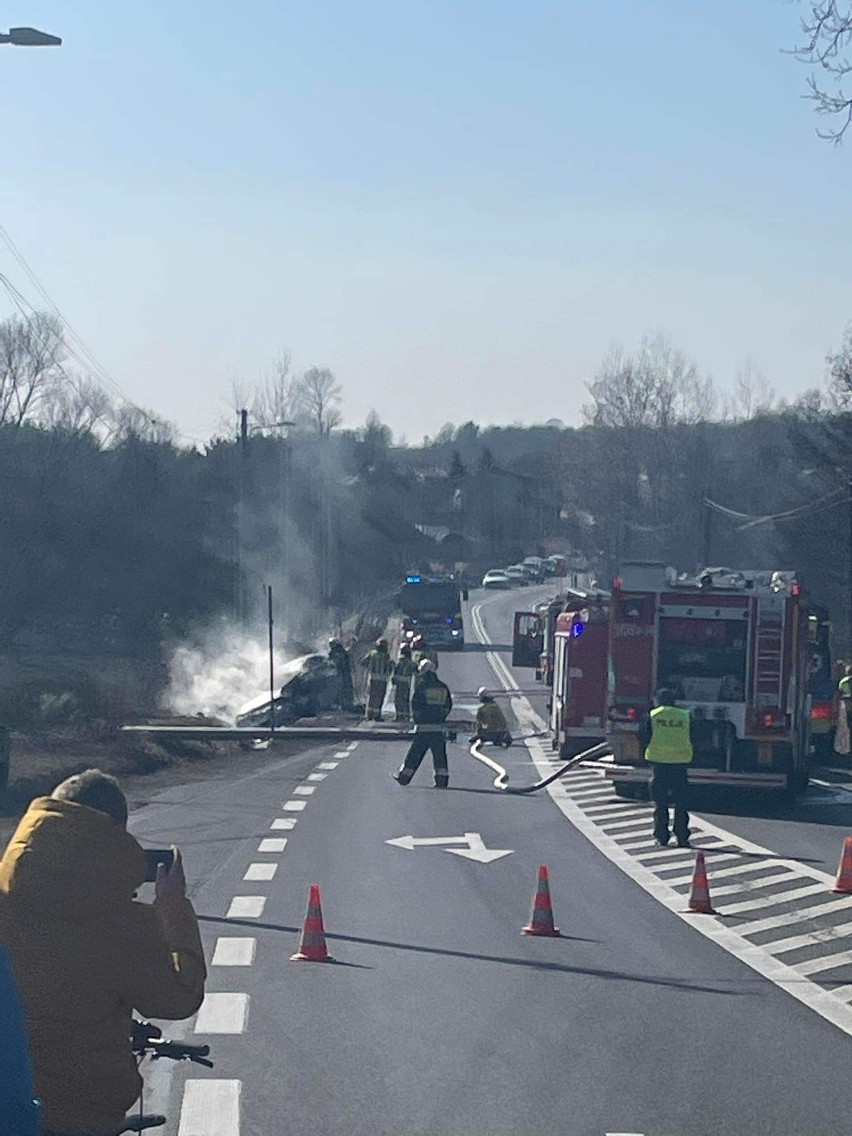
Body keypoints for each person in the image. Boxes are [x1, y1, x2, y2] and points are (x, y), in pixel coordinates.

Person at [0, 769, 206, 1136]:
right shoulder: (126, 924)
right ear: (113, 837)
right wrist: (173, 907)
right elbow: (180, 997)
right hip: (84, 1117)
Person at [639, 688, 696, 847]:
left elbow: (643, 736)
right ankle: (682, 836)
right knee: (681, 804)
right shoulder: (685, 716)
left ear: (657, 700)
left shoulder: (652, 716)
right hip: (680, 764)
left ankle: (661, 836)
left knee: (660, 804)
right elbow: (695, 736)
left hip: (658, 764)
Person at [393, 659, 453, 787]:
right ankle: (442, 781)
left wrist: (418, 720)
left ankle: (404, 777)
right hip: (438, 728)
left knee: (414, 755)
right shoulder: (443, 687)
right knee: (440, 756)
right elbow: (448, 706)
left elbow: (415, 706)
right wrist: (441, 717)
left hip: (424, 728)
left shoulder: (422, 687)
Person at [361, 638, 394, 721]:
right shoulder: (386, 656)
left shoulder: (372, 654)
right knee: (380, 697)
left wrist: (371, 668)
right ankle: (377, 715)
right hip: (383, 680)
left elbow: (363, 662)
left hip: (373, 678)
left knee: (372, 697)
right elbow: (390, 668)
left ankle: (369, 715)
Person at [391, 644, 417, 722]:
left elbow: (395, 672)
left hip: (399, 684)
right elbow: (416, 672)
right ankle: (406, 716)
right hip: (406, 684)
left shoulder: (400, 662)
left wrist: (394, 680)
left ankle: (399, 716)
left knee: (398, 700)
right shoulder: (412, 663)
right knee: (405, 700)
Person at [328, 637, 355, 711]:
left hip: (341, 673)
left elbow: (336, 663)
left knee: (341, 688)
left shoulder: (337, 652)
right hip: (344, 673)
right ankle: (345, 704)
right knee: (345, 688)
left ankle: (343, 704)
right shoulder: (341, 651)